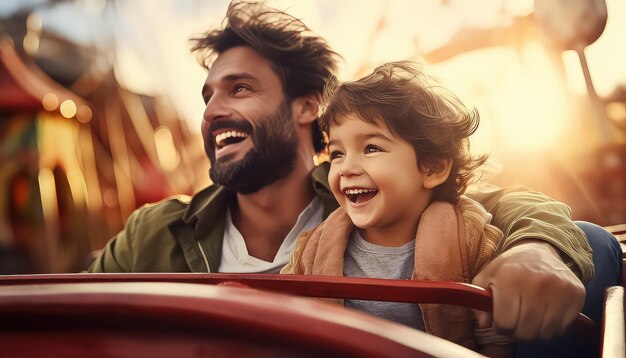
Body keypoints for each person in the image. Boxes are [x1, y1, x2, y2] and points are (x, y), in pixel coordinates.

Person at [87, 1, 620, 352]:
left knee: (593, 247)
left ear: (305, 106)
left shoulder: (380, 204)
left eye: (239, 89)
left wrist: (540, 248)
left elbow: (511, 205)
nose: (212, 111)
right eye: (208, 97)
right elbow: (63, 325)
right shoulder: (153, 232)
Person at [282, 61, 514, 355]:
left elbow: (496, 343)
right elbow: (286, 329)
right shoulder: (311, 250)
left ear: (432, 168)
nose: (346, 168)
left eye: (371, 148)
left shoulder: (471, 240)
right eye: (337, 153)